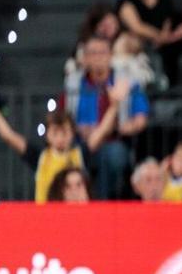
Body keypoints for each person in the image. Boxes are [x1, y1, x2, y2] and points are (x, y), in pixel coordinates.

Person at [63, 35, 149, 200]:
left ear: (110, 56)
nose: (97, 57)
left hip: (115, 140)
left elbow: (141, 118)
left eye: (102, 52)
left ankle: (101, 203)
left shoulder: (127, 81)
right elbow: (64, 117)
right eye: (92, 53)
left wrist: (125, 127)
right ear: (85, 57)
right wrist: (77, 129)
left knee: (112, 155)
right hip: (81, 142)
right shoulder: (73, 82)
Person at [0, 104, 120, 203]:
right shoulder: (41, 157)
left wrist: (115, 104)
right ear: (47, 135)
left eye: (65, 132)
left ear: (73, 133)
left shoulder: (79, 154)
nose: (60, 138)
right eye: (55, 133)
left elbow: (102, 131)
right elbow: (9, 136)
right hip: (45, 218)